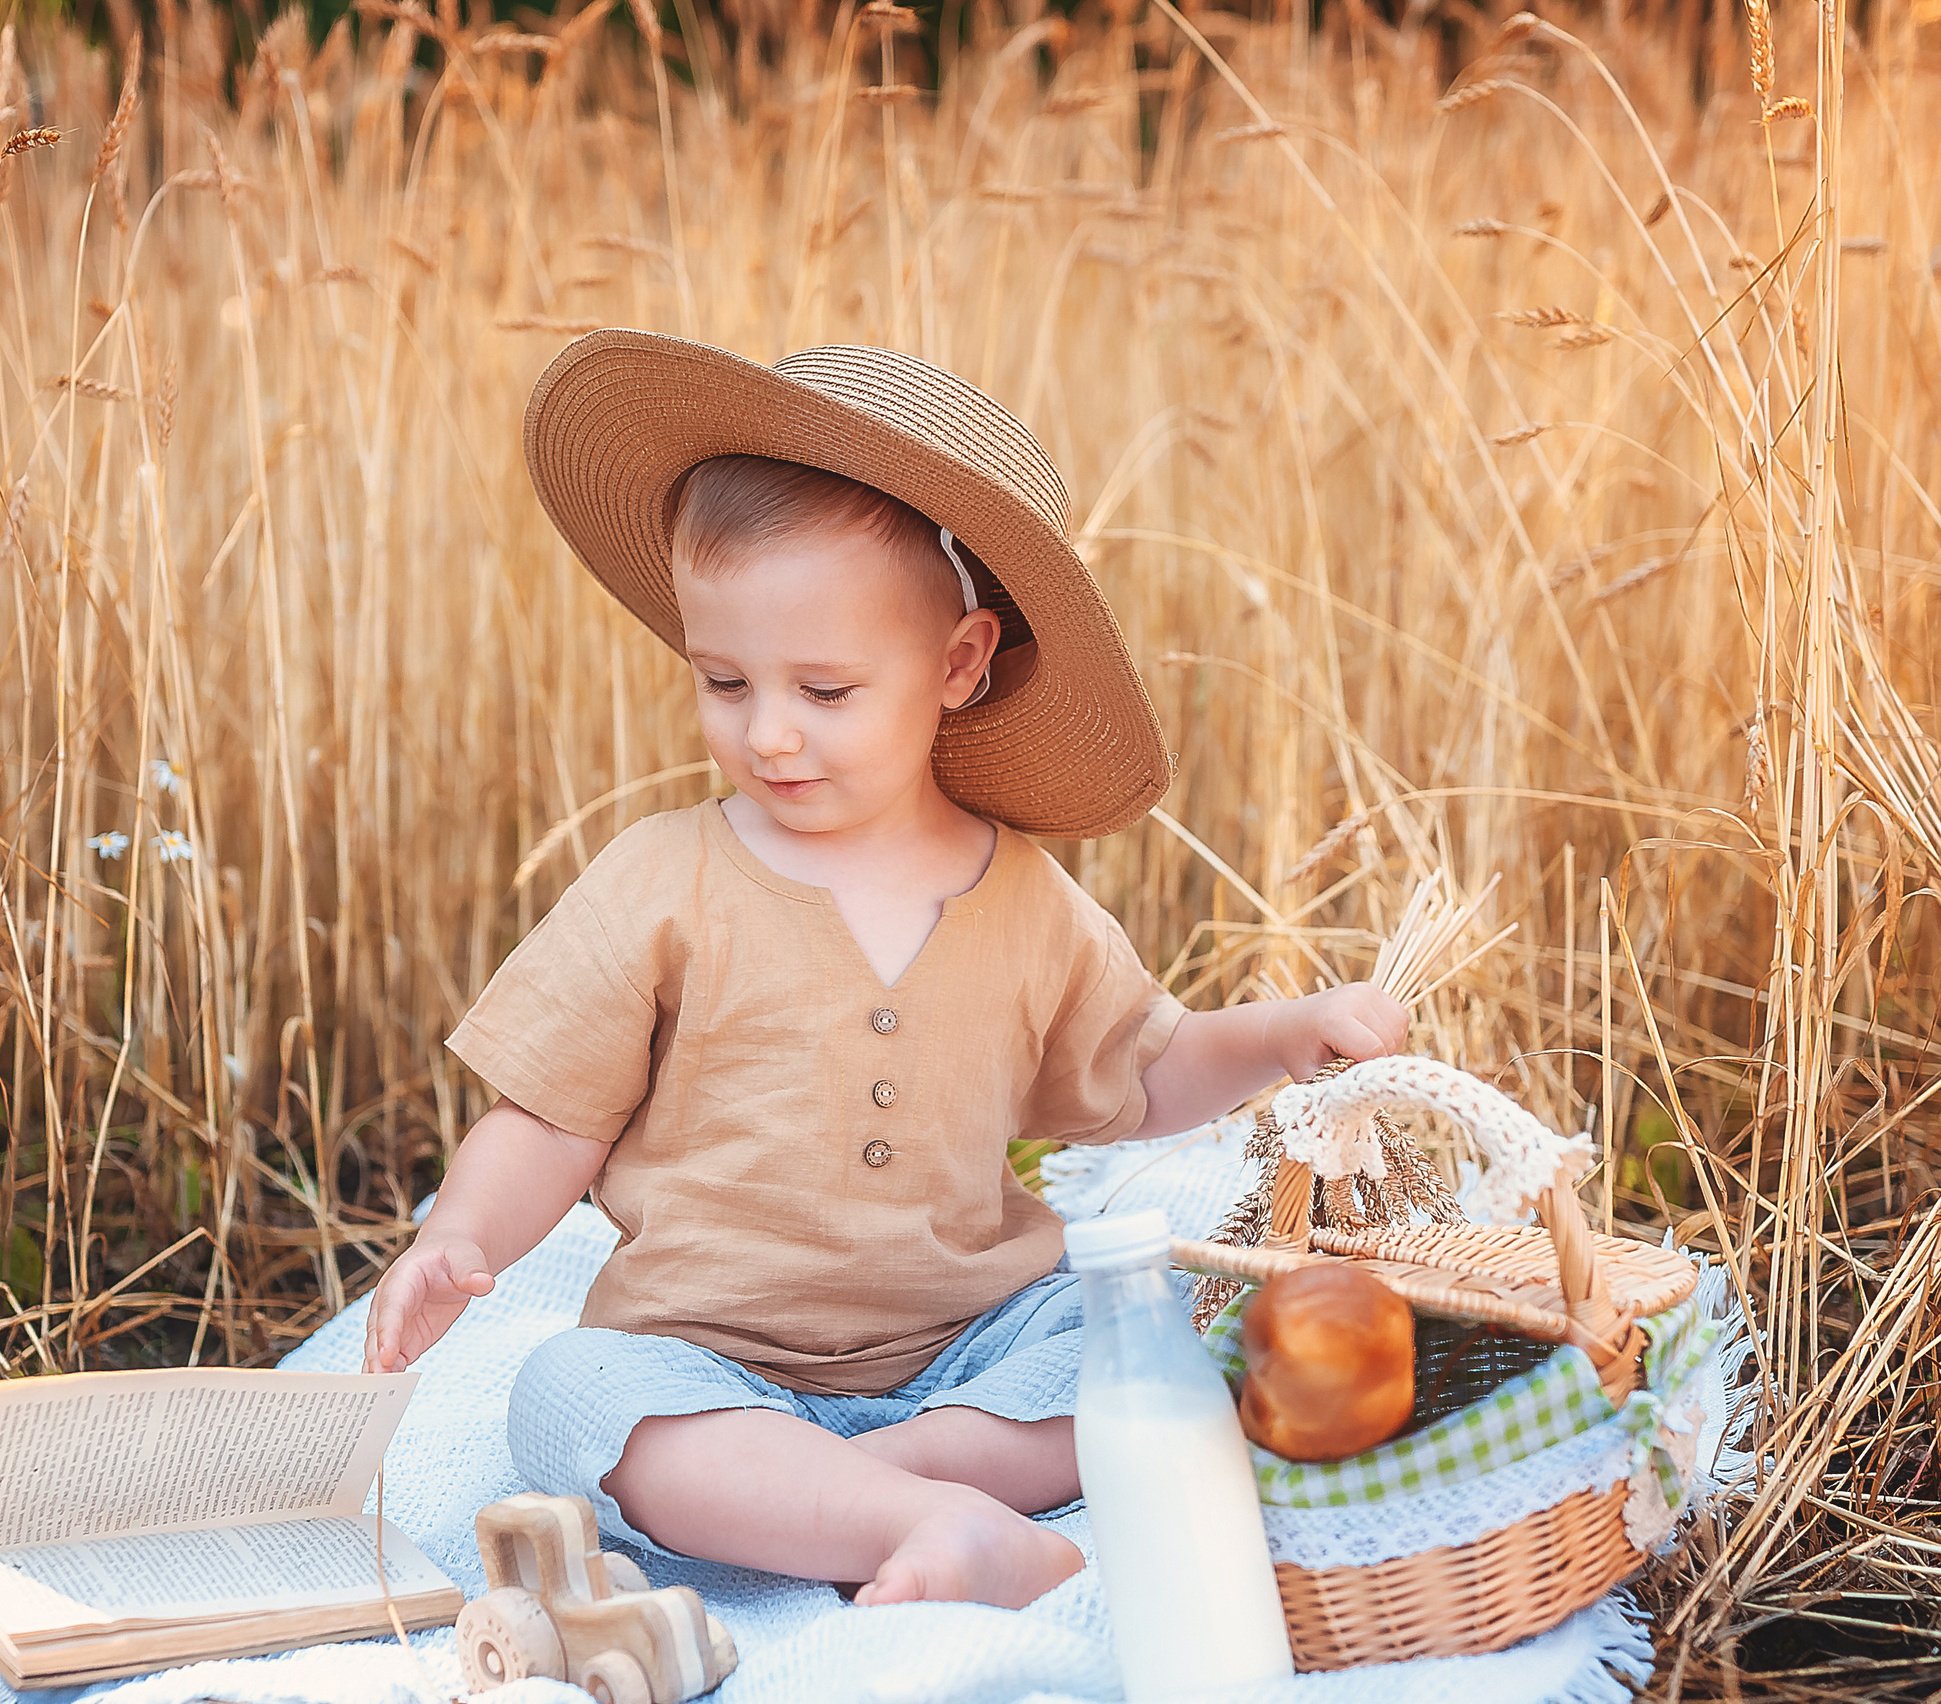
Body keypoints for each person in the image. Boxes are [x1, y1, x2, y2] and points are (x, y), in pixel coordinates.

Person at [364, 332, 1407, 1611]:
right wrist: (456, 1238)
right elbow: (547, 1118)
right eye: (725, 681)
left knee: (1163, 1332)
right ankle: (928, 1517)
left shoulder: (1024, 898)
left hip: (976, 1342)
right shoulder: (659, 879)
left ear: (959, 665)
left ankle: (873, 1490)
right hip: (711, 1355)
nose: (771, 732)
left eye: (828, 687)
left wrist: (1289, 1033)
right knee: (572, 1396)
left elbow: (1141, 1077)